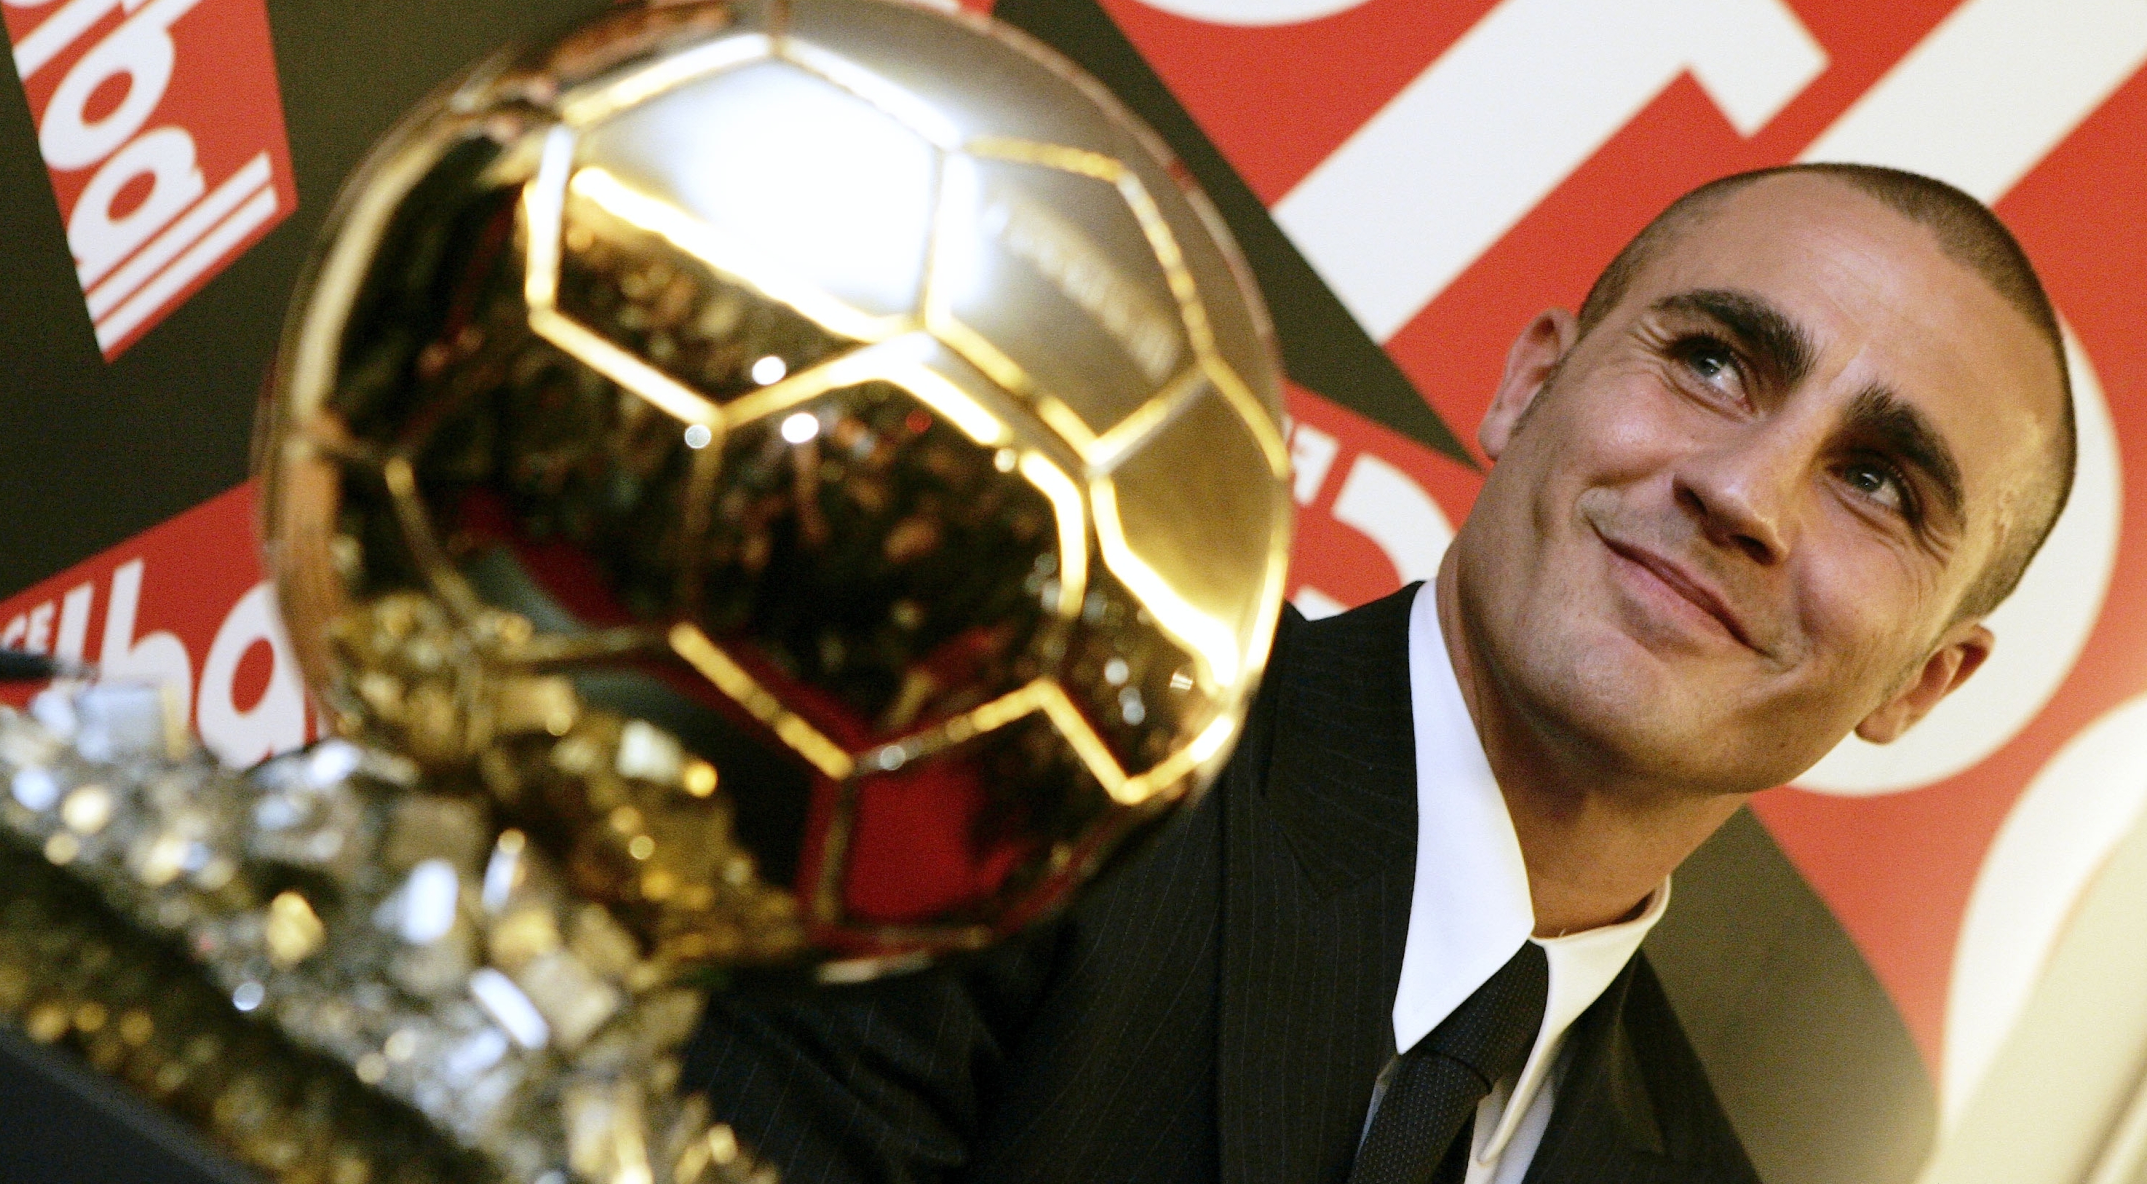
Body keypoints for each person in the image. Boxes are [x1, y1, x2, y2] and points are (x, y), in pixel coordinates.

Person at [684, 163, 2077, 1184]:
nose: (1743, 493)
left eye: (1881, 484)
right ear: (1529, 385)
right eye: (1712, 361)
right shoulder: (1022, 742)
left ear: (1924, 684)